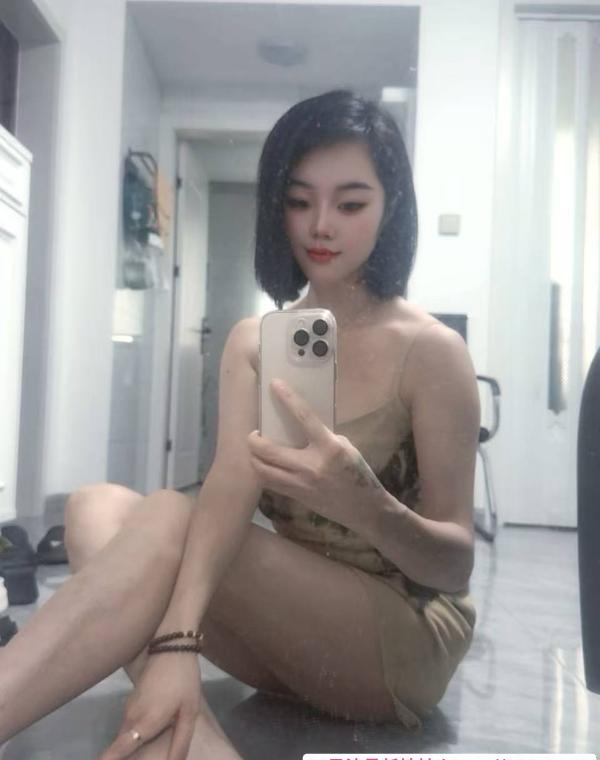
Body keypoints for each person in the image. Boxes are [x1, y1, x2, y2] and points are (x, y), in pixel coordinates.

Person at [0, 90, 480, 760]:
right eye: (299, 200)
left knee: (170, 517)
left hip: (398, 642)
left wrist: (365, 505)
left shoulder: (432, 352)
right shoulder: (256, 341)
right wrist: (179, 643)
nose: (320, 225)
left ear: (391, 204)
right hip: (291, 638)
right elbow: (229, 487)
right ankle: (193, 740)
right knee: (93, 508)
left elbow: (454, 564)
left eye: (350, 204)